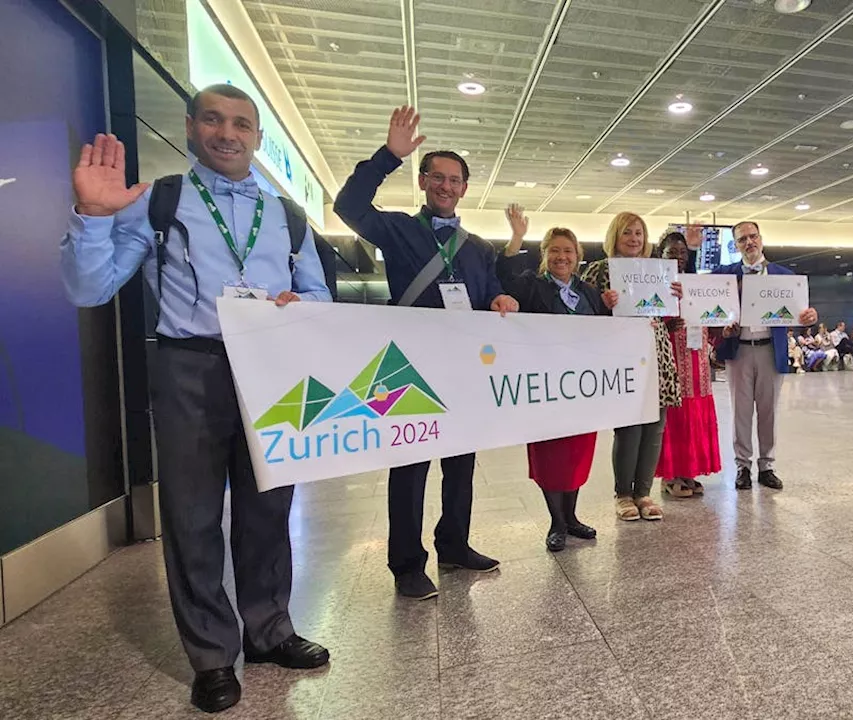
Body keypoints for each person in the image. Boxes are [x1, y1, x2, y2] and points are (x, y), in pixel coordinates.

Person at [60, 84, 331, 713]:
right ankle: (212, 655)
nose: (227, 133)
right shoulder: (160, 202)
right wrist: (95, 218)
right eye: (213, 119)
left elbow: (319, 292)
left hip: (272, 367)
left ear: (257, 138)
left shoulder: (287, 214)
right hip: (190, 366)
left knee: (270, 508)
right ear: (190, 127)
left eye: (241, 123)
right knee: (191, 516)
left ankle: (269, 631)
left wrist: (302, 305)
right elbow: (89, 288)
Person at [334, 105, 519, 600]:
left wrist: (501, 299)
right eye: (436, 177)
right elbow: (348, 206)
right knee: (411, 466)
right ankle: (406, 563)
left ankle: (454, 544)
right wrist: (386, 156)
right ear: (422, 181)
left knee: (461, 462)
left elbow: (490, 293)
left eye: (454, 180)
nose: (445, 185)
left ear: (463, 188)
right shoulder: (398, 230)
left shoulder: (478, 248)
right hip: (409, 368)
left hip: (462, 368)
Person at [498, 207, 617, 550]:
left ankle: (572, 517)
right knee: (550, 455)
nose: (562, 257)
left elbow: (605, 332)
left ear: (578, 256)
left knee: (577, 453)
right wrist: (516, 238)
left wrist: (611, 305)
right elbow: (502, 277)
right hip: (546, 389)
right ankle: (556, 521)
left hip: (582, 389)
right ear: (544, 255)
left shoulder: (590, 293)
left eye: (568, 251)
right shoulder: (530, 286)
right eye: (555, 250)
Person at [580, 213, 682, 521]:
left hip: (656, 351)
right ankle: (623, 493)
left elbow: (670, 319)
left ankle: (644, 493)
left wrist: (676, 301)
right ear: (614, 236)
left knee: (655, 426)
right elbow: (581, 312)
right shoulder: (599, 271)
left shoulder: (659, 271)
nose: (634, 238)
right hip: (621, 355)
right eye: (627, 232)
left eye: (639, 233)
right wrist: (602, 303)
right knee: (629, 426)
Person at [715, 221, 818, 491]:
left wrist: (810, 316)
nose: (749, 243)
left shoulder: (785, 276)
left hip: (771, 350)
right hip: (738, 351)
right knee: (740, 412)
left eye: (753, 237)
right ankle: (742, 466)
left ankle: (767, 465)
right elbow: (700, 293)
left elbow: (801, 312)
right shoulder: (725, 275)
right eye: (742, 240)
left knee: (768, 411)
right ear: (735, 245)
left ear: (761, 239)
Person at [655, 231, 722, 499]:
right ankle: (670, 475)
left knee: (696, 413)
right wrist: (666, 324)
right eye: (672, 253)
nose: (679, 258)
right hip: (671, 362)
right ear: (661, 255)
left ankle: (689, 471)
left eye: (683, 253)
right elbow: (646, 320)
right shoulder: (655, 284)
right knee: (675, 416)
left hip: (697, 361)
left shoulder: (697, 285)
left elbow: (710, 319)